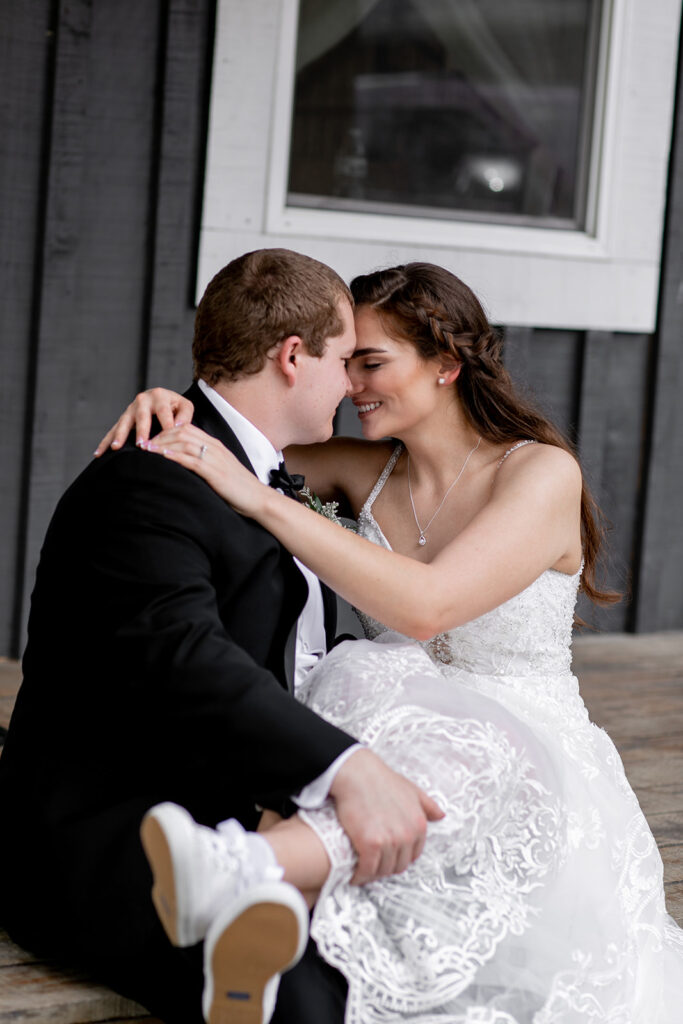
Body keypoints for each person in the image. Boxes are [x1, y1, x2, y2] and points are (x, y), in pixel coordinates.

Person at [107, 261, 683, 1022]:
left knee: (417, 705)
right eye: (343, 364)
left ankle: (253, 871)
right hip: (398, 726)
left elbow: (427, 608)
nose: (349, 385)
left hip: (526, 749)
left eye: (370, 363)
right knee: (359, 679)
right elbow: (229, 438)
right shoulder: (360, 471)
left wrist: (263, 503)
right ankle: (257, 919)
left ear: (446, 365)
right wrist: (169, 406)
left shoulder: (542, 473)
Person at [0, 249, 444, 1024]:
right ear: (292, 356)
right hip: (115, 838)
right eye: (343, 361)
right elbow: (180, 651)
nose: (350, 384)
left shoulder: (258, 465)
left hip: (245, 814)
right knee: (306, 998)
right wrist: (345, 768)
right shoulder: (150, 473)